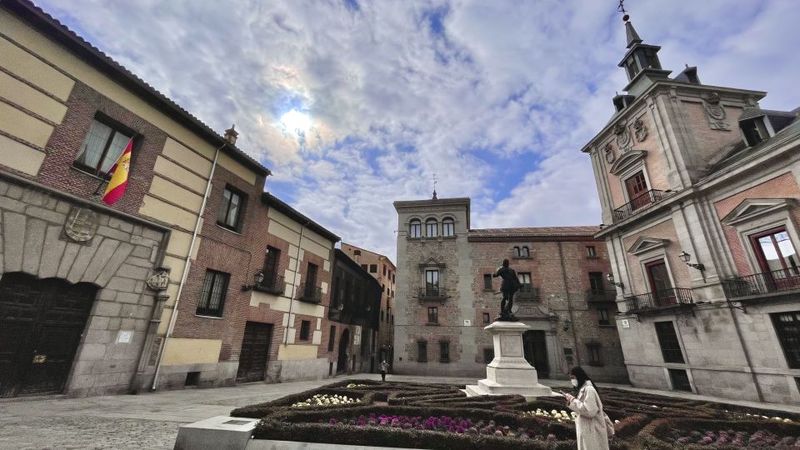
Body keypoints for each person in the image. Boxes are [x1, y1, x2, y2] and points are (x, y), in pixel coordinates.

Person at [563, 366, 611, 450]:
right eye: (570, 378)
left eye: (573, 378)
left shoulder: (589, 390)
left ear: (579, 376)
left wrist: (572, 400)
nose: (572, 381)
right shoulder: (584, 389)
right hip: (588, 429)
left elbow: (590, 411)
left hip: (592, 430)